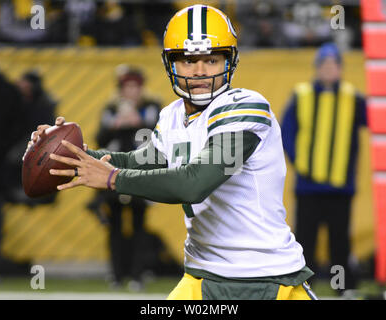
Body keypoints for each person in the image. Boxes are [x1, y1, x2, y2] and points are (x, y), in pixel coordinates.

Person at [26, 5, 317, 300]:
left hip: (268, 279)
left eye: (212, 59)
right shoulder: (173, 115)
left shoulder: (245, 105)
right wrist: (74, 155)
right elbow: (140, 163)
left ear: (230, 61)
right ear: (170, 64)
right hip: (202, 277)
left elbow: (194, 183)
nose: (200, 71)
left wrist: (113, 178)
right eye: (189, 61)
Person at [280, 42, 367, 294]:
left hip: (341, 186)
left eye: (333, 65)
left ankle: (343, 288)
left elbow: (375, 121)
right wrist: (302, 164)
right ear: (317, 68)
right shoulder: (302, 94)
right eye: (324, 65)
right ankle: (302, 288)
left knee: (340, 241)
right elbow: (287, 134)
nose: (329, 69)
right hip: (308, 186)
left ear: (340, 68)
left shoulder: (353, 97)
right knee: (304, 240)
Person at [87, 65, 161, 290]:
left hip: (142, 172)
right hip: (114, 172)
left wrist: (138, 124)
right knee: (115, 226)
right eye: (127, 87)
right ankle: (117, 275)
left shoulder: (152, 108)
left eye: (135, 87)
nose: (131, 92)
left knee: (140, 224)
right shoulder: (111, 109)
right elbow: (100, 138)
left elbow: (160, 138)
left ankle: (138, 274)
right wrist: (116, 125)